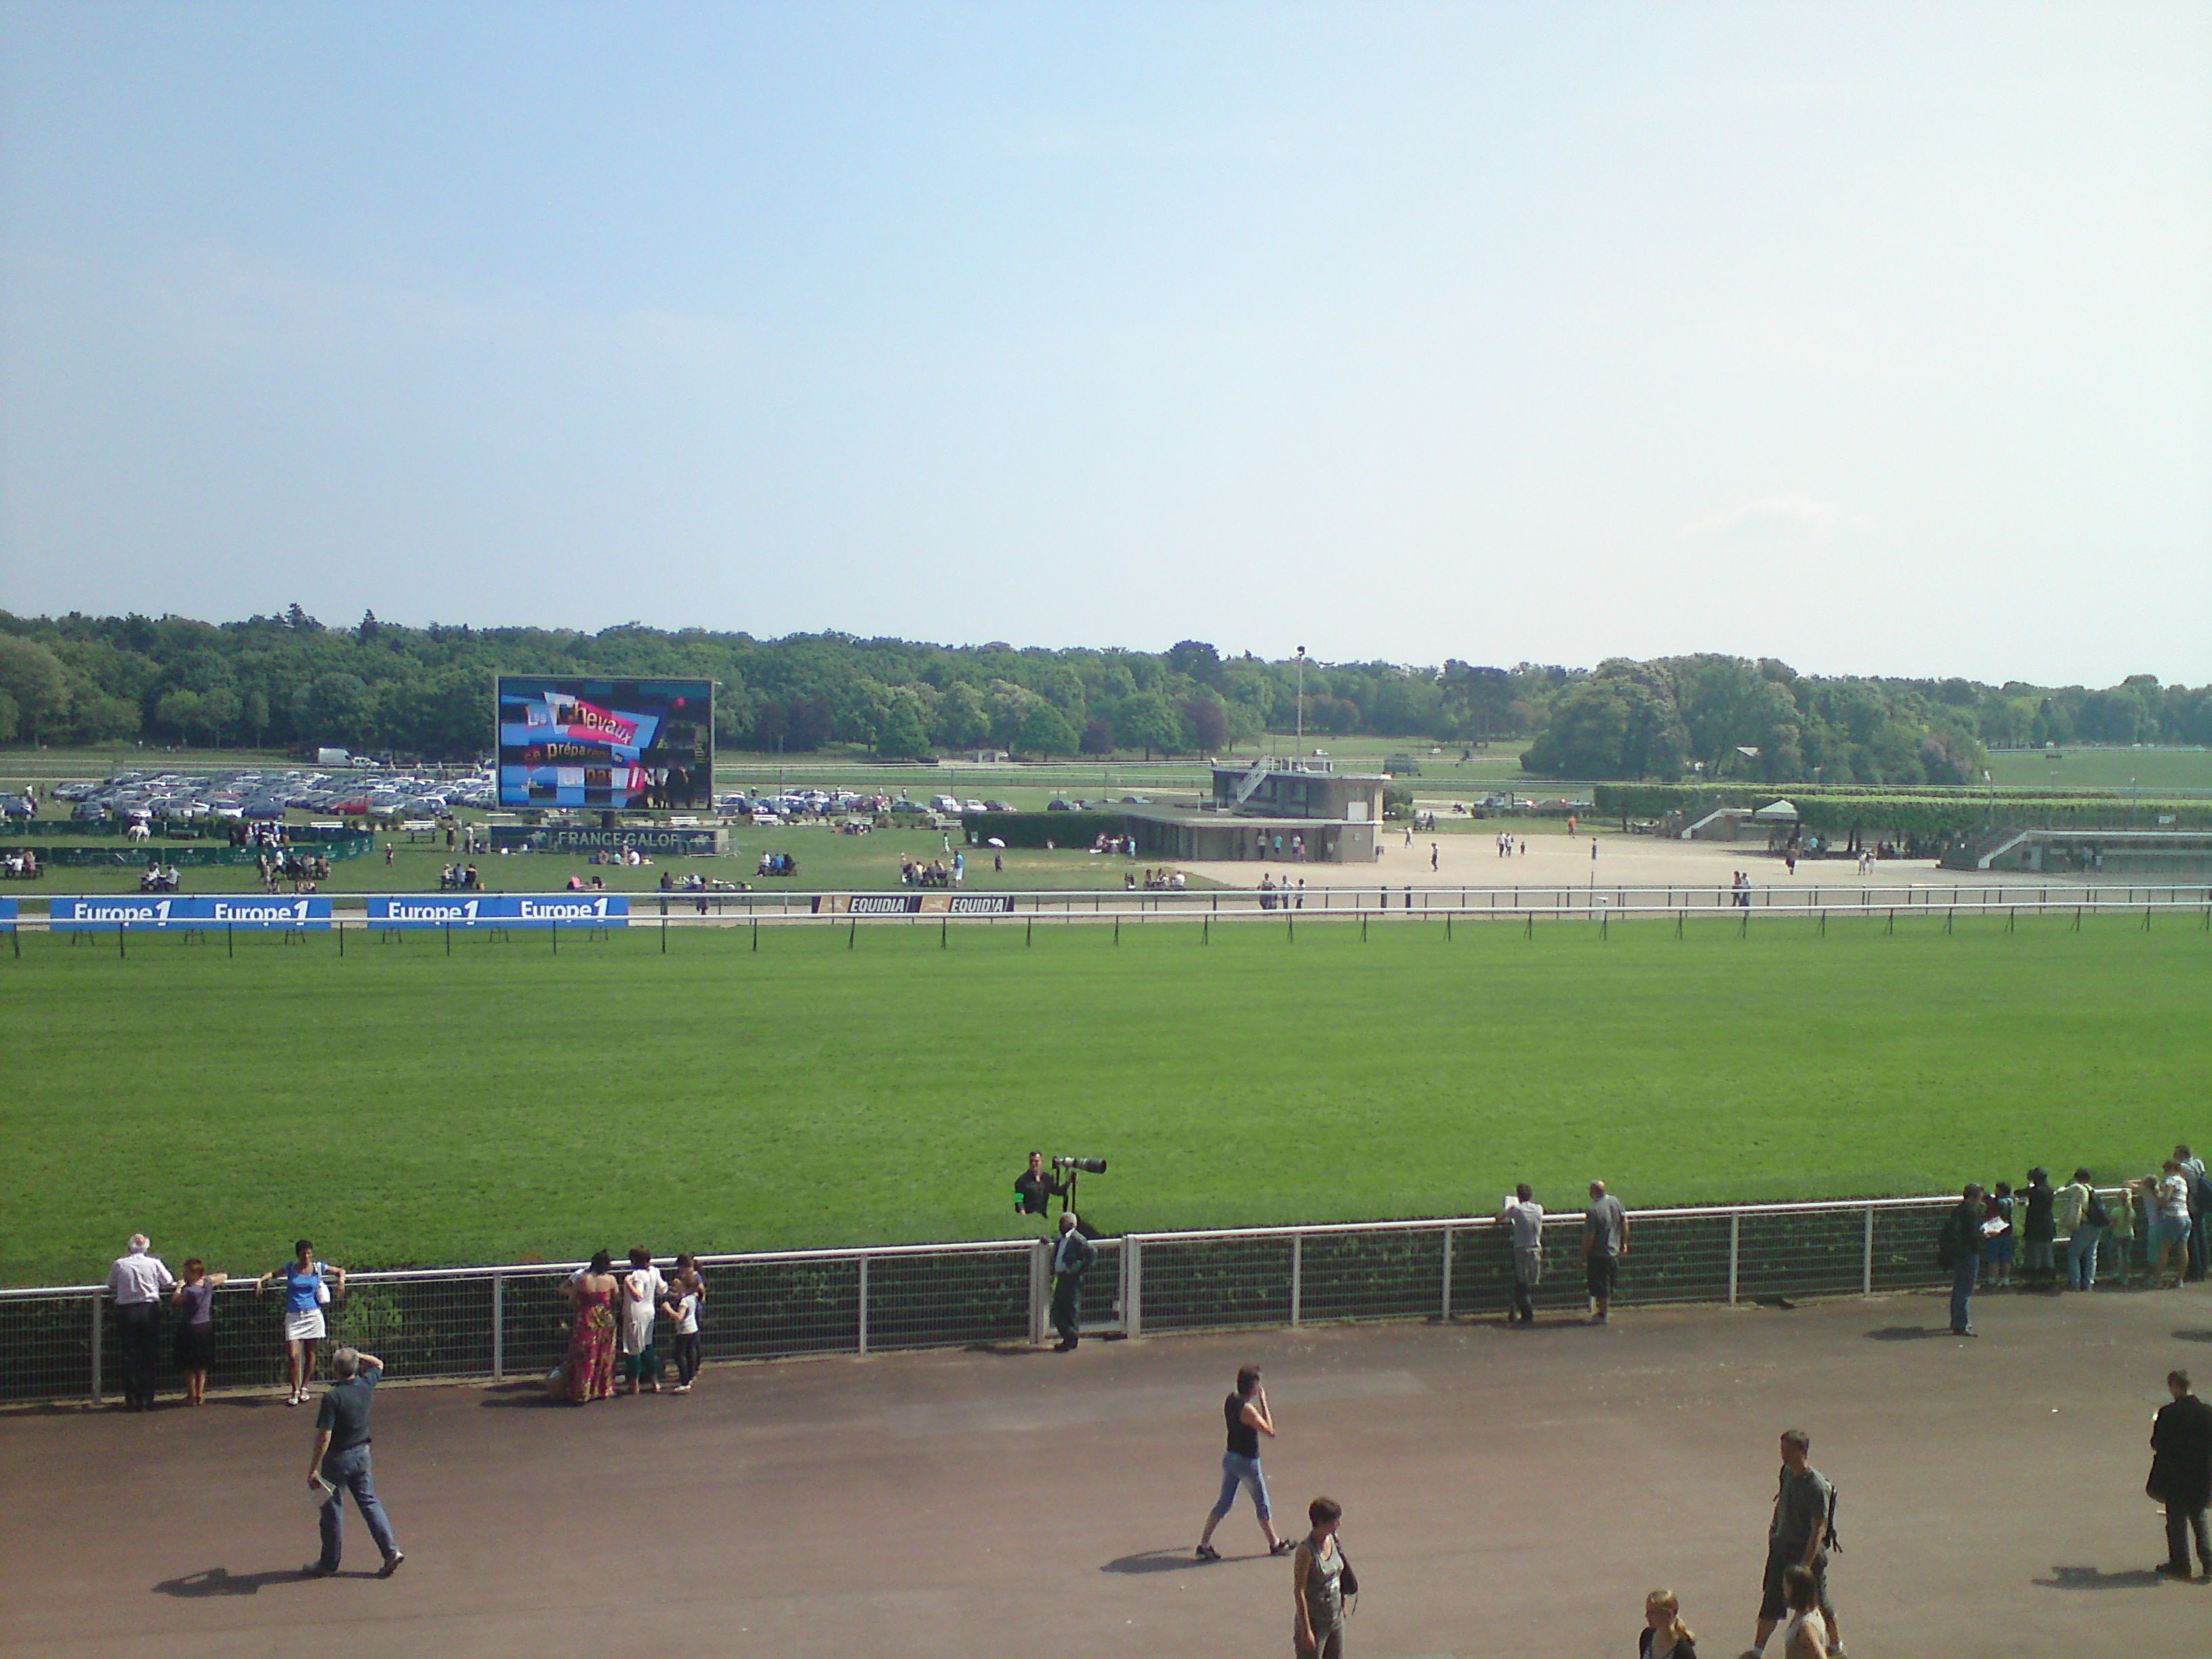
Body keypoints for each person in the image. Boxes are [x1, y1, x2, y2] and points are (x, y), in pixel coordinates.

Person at [304, 1347, 403, 1580]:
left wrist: (313, 1469)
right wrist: (359, 1355)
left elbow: (324, 1436)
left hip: (336, 1459)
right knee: (369, 1502)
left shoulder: (333, 1397)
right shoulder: (365, 1385)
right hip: (362, 1454)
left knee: (331, 1512)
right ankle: (390, 1551)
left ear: (335, 1369)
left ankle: (329, 1563)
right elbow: (379, 1363)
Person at [1751, 1430, 1840, 1659]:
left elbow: (1818, 1530)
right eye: (1782, 1450)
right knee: (1772, 1597)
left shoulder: (1816, 1487)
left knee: (1817, 1600)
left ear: (1802, 1451)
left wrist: (1805, 1567)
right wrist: (1774, 1527)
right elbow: (1782, 1499)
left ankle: (1837, 1646)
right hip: (1781, 1548)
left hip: (1805, 1553)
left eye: (1788, 1451)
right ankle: (1756, 1651)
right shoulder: (1787, 1472)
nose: (1784, 1455)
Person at [1197, 1366, 1289, 1559]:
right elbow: (1270, 1431)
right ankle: (1275, 1543)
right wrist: (1264, 1402)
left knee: (1224, 1503)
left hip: (1231, 1458)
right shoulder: (1248, 1410)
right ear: (1254, 1387)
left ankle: (1204, 1544)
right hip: (1247, 1462)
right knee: (1262, 1502)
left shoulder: (1231, 1400)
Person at [257, 1240, 343, 1406]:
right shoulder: (291, 1268)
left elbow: (340, 1271)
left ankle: (305, 1387)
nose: (306, 1256)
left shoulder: (318, 1267)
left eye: (309, 1253)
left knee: (310, 1353)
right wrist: (260, 1281)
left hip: (312, 1314)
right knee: (293, 1355)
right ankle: (295, 1389)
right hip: (294, 1315)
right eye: (303, 1253)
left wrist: (341, 1281)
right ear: (298, 1254)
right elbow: (274, 1274)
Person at [2148, 1368, 2212, 1580]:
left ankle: (2180, 1564)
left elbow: (2156, 1443)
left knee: (2176, 1522)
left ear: (2175, 1386)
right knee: (2199, 1520)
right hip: (2202, 1474)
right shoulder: (2207, 1412)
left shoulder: (2168, 1413)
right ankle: (2209, 1564)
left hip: (2175, 1475)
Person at [107, 1233, 176, 1410]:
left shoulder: (120, 1264)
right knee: (148, 1354)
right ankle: (146, 1399)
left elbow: (111, 1284)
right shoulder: (154, 1263)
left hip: (128, 1312)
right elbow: (168, 1281)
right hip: (148, 1311)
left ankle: (132, 1398)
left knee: (130, 1355)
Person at [1292, 1496, 1346, 1659]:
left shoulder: (1333, 1540)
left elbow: (1340, 1574)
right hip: (1315, 1623)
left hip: (1335, 1620)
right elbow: (1299, 1591)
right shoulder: (1306, 1551)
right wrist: (1306, 1630)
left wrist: (1342, 1604)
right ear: (1321, 1522)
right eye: (1335, 1521)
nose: (1339, 1524)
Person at [563, 1249, 620, 1404]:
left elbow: (572, 1301)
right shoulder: (611, 1280)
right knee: (605, 1355)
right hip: (605, 1319)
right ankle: (603, 1388)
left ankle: (582, 1391)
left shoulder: (582, 1280)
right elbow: (616, 1298)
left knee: (584, 1357)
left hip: (586, 1319)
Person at [170, 1258, 228, 1407]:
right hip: (205, 1327)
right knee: (202, 1363)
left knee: (188, 1364)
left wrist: (179, 1287)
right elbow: (224, 1276)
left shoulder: (190, 1291)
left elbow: (175, 1300)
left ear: (193, 1273)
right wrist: (206, 1278)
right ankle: (200, 1394)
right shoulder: (207, 1284)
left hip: (190, 1328)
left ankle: (192, 1394)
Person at [1938, 1184, 1984, 1336]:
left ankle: (1956, 1321)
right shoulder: (1971, 1212)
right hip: (1969, 1254)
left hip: (1959, 1254)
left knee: (1959, 1288)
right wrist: (1986, 1234)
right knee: (1965, 1290)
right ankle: (1961, 1324)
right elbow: (1972, 1236)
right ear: (1973, 1197)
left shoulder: (1959, 1210)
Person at [620, 1246, 666, 1395]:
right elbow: (663, 1289)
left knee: (634, 1350)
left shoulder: (637, 1275)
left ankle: (634, 1385)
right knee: (648, 1347)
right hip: (650, 1312)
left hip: (636, 1314)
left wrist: (627, 1282)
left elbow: (637, 1296)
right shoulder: (654, 1271)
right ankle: (655, 1382)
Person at [1581, 1180, 1629, 1324]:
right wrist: (1624, 1243)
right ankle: (1603, 1311)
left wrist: (1583, 1254)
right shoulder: (1615, 1201)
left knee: (1601, 1285)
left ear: (1593, 1192)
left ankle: (1603, 1315)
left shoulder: (1593, 1210)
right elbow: (1625, 1223)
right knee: (1608, 1283)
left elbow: (1590, 1236)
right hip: (1613, 1252)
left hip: (1599, 1253)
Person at [1049, 1212, 1096, 1352]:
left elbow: (1092, 1254)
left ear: (1070, 1225)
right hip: (1063, 1279)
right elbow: (1059, 1244)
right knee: (1059, 1310)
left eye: (1061, 1223)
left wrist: (1076, 1270)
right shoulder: (1063, 1239)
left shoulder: (1078, 1239)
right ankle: (1070, 1338)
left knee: (1068, 1310)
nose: (1059, 1226)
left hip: (1072, 1281)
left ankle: (1070, 1338)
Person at [1500, 1184, 1544, 1326]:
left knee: (1521, 1283)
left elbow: (1500, 1217)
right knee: (1528, 1283)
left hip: (1521, 1250)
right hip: (1536, 1249)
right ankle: (1520, 1311)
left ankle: (1526, 1314)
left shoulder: (1516, 1209)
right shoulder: (1539, 1208)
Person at [2057, 1168, 2106, 1290]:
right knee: (2091, 1255)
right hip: (2096, 1226)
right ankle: (2088, 1283)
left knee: (2074, 1255)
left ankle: (2075, 1282)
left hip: (2085, 1226)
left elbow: (2068, 1191)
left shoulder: (2080, 1189)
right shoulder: (2092, 1191)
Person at [665, 1254, 705, 1393]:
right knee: (690, 1352)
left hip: (684, 1331)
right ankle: (690, 1376)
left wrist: (668, 1309)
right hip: (692, 1330)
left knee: (679, 1355)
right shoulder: (693, 1297)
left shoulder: (685, 1301)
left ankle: (684, 1381)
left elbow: (679, 1317)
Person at [2154, 1160, 2193, 1287]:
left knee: (2164, 1248)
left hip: (2172, 1217)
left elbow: (2166, 1199)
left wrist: (2158, 1200)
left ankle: (2158, 1279)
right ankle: (2179, 1279)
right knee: (2183, 1248)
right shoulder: (2183, 1181)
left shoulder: (2170, 1180)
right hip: (2185, 1216)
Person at [1777, 1564, 1829, 1658]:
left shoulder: (1806, 1627)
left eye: (1786, 1587)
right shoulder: (1813, 1611)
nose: (1783, 1591)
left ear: (1796, 1590)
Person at [2020, 1167, 2058, 1290]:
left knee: (2033, 1254)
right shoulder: (2049, 1190)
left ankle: (2033, 1281)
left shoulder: (2035, 1191)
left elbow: (2019, 1193)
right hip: (2047, 1224)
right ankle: (2048, 1281)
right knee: (2047, 1253)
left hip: (2035, 1225)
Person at [1640, 1587, 1698, 1658]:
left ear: (1669, 1614)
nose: (1647, 1616)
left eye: (1652, 1613)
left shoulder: (1683, 1650)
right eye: (1647, 1612)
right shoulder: (1647, 1636)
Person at [1982, 1181, 2015, 1288]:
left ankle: (1992, 1281)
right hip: (2008, 1231)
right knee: (2006, 1258)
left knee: (1993, 1258)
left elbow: (1987, 1200)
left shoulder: (1996, 1202)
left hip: (1995, 1231)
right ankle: (2006, 1281)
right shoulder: (2010, 1201)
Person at [1015, 1151, 1066, 1218]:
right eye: (1031, 1161)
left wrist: (1069, 1182)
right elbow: (1018, 1199)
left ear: (1042, 1162)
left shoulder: (1046, 1178)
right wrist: (1022, 1211)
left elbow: (1057, 1191)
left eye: (1036, 1161)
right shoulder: (1022, 1181)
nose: (1033, 1164)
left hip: (1043, 1217)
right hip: (1028, 1216)